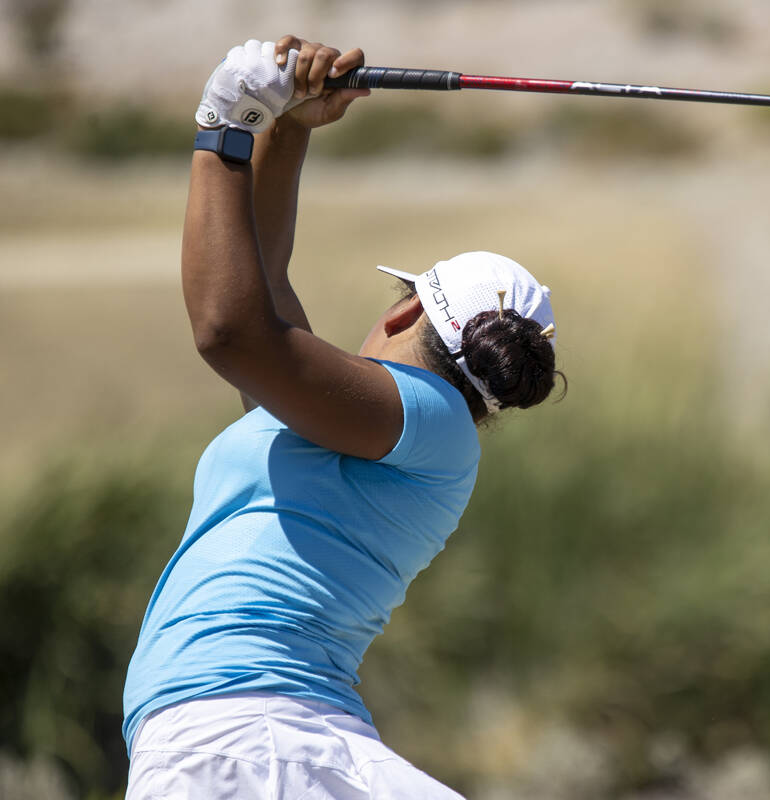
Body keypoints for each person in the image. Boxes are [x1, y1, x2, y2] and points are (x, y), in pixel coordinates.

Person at [122, 36, 561, 798]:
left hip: (250, 741)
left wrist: (224, 124)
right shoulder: (373, 423)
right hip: (265, 738)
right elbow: (259, 273)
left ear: (406, 315)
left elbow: (230, 328)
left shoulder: (424, 420)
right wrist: (288, 126)